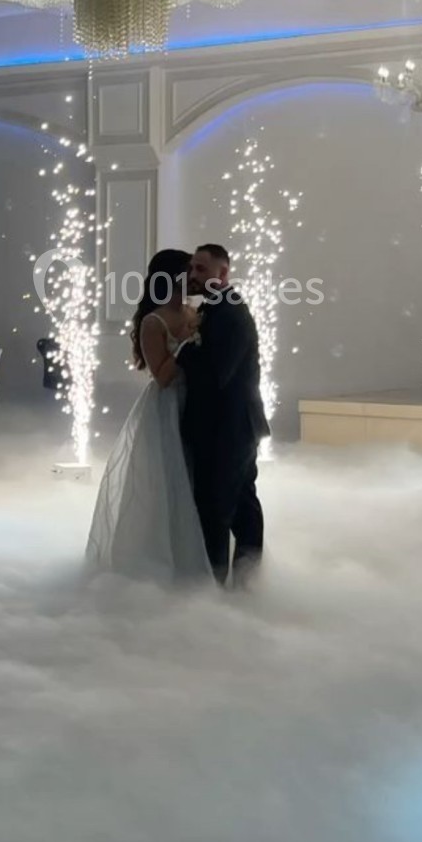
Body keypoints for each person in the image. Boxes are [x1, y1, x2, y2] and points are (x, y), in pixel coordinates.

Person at [86, 249, 211, 583]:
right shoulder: (152, 322)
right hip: (168, 407)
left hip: (197, 404)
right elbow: (162, 375)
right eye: (189, 272)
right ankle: (166, 558)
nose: (194, 278)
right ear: (172, 277)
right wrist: (186, 344)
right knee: (168, 482)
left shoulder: (193, 311)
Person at [176, 244, 268, 587]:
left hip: (229, 427)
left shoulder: (228, 311)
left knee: (217, 508)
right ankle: (246, 584)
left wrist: (182, 355)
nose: (194, 275)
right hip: (231, 425)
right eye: (192, 268)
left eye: (201, 269)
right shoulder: (216, 308)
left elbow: (217, 374)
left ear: (223, 273)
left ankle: (215, 587)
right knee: (242, 504)